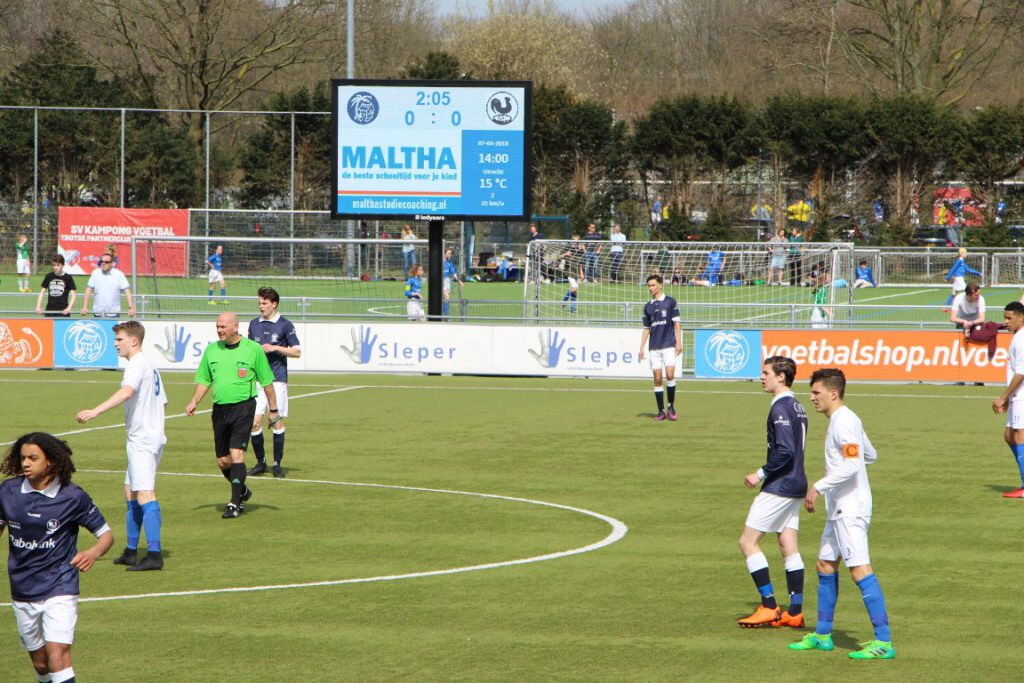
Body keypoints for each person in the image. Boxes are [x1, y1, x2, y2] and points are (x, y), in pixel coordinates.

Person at [790, 368, 894, 660]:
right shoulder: (845, 419)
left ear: (833, 393)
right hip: (839, 508)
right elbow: (868, 455)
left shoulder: (843, 421)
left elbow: (851, 464)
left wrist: (819, 487)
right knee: (825, 565)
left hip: (850, 509)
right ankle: (823, 635)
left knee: (859, 569)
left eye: (816, 392)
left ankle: (883, 641)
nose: (812, 398)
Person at [0, 432, 114, 683]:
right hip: (22, 587)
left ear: (50, 461)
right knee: (41, 664)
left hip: (60, 585)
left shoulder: (72, 497)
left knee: (58, 654)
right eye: (23, 458)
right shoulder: (8, 492)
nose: (26, 463)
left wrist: (93, 552)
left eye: (33, 458)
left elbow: (106, 535)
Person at [75, 321, 166, 571]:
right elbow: (163, 402)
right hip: (149, 437)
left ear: (134, 341)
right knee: (130, 491)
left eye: (120, 339)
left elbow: (127, 392)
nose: (116, 344)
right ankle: (130, 551)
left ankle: (155, 555)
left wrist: (95, 411)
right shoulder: (149, 365)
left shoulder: (136, 364)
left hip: (143, 440)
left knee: (145, 493)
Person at [737, 356, 808, 628]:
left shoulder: (780, 408)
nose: (762, 377)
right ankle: (795, 611)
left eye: (766, 372)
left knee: (747, 542)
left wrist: (760, 473)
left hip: (780, 485)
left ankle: (768, 606)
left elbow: (786, 449)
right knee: (788, 546)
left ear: (781, 377)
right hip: (798, 484)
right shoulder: (798, 406)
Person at [185, 312, 277, 518]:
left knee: (237, 453)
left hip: (244, 407)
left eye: (223, 326)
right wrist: (194, 401)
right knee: (223, 461)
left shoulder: (253, 349)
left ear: (236, 327)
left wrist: (273, 410)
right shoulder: (211, 351)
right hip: (219, 410)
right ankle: (242, 491)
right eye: (217, 326)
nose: (219, 330)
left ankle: (234, 503)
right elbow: (204, 380)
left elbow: (267, 382)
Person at [247, 287, 301, 479]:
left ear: (274, 304)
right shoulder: (253, 325)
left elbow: (296, 351)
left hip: (277, 380)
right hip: (257, 381)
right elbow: (249, 351)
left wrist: (275, 348)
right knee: (254, 423)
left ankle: (277, 464)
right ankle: (261, 463)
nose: (261, 307)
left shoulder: (285, 325)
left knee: (275, 420)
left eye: (265, 303)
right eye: (259, 303)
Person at [639, 274, 681, 421]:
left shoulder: (670, 302)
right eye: (649, 286)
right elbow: (646, 328)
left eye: (653, 285)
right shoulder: (648, 306)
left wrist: (679, 342)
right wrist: (642, 347)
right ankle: (661, 411)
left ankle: (671, 406)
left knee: (670, 375)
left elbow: (677, 323)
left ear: (660, 285)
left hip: (669, 344)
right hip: (654, 347)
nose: (651, 288)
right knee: (657, 379)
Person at [993, 301, 1024, 498]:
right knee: (1009, 435)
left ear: (1021, 318)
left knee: (1019, 435)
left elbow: (1021, 372)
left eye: (1009, 318)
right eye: (1004, 318)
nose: (1005, 322)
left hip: (1021, 396)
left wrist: (1004, 397)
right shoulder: (1017, 338)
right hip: (1017, 396)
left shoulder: (1021, 340)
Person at [80, 252, 134, 318]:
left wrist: (131, 307)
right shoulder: (95, 273)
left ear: (112, 263)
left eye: (106, 262)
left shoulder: (119, 274)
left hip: (113, 314)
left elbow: (127, 291)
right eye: (102, 261)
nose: (103, 263)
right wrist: (85, 307)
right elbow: (88, 290)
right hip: (98, 313)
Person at [442, 248, 463, 318]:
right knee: (447, 297)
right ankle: (446, 315)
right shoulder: (441, 262)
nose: (450, 255)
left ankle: (444, 314)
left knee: (445, 299)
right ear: (444, 254)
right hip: (442, 281)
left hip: (447, 281)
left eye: (450, 253)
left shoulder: (449, 264)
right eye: (448, 253)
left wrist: (459, 281)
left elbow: (454, 273)